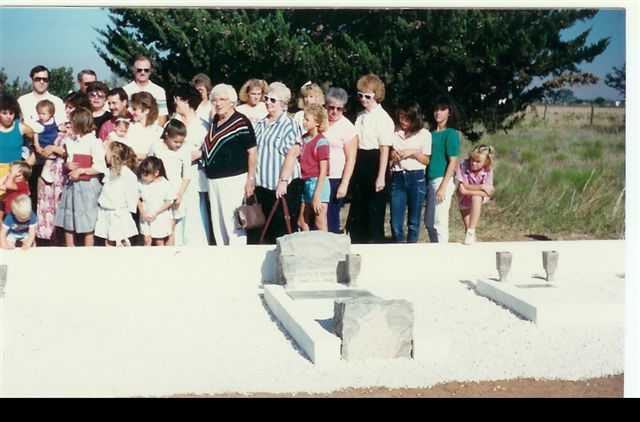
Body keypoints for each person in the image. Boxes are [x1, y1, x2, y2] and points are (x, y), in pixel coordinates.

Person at [201, 83, 257, 246]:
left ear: (232, 101)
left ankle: (237, 260)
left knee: (234, 223)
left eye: (222, 100)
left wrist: (250, 179)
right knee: (217, 224)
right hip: (213, 180)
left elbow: (252, 152)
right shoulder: (215, 121)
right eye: (215, 100)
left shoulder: (241, 122)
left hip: (234, 179)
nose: (218, 103)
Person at [249, 82, 303, 244]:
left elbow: (292, 155)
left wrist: (283, 181)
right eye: (266, 99)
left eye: (272, 100)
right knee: (261, 232)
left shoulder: (290, 125)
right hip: (261, 186)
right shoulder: (259, 124)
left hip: (282, 187)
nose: (267, 102)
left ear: (283, 104)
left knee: (282, 231)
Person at [35, 92, 90, 245]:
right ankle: (51, 240)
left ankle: (64, 241)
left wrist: (54, 148)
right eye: (67, 107)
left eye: (71, 108)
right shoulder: (61, 126)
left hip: (65, 173)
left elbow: (74, 152)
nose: (67, 111)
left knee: (62, 208)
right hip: (52, 171)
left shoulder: (82, 130)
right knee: (49, 206)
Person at [346, 74, 394, 244]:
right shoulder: (360, 116)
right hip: (360, 162)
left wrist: (381, 176)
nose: (363, 99)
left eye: (368, 96)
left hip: (376, 163)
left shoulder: (384, 118)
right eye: (360, 95)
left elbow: (385, 149)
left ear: (376, 96)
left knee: (374, 213)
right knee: (358, 212)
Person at [54, 107, 107, 247]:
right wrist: (68, 165)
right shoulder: (70, 142)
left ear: (80, 123)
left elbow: (100, 167)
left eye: (72, 122)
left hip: (88, 187)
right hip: (72, 186)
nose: (69, 125)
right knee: (69, 219)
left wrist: (82, 171)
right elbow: (68, 162)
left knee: (88, 220)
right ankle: (70, 250)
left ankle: (88, 252)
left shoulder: (94, 142)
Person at [276, 104, 330, 231]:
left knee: (320, 222)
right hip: (306, 182)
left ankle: (326, 248)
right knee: (301, 221)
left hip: (318, 184)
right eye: (304, 119)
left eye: (307, 120)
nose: (304, 122)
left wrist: (317, 195)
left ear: (317, 123)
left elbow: (323, 171)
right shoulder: (303, 139)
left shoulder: (321, 142)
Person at [172, 83, 210, 246]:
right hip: (176, 174)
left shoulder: (203, 125)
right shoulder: (173, 123)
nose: (175, 103)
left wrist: (200, 154)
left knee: (195, 209)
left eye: (177, 100)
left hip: (196, 174)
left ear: (185, 100)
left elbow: (209, 149)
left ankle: (197, 244)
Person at [389, 102, 431, 243]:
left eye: (407, 118)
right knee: (395, 223)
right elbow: (388, 154)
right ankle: (398, 249)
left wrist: (412, 152)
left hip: (416, 178)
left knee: (413, 222)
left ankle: (411, 252)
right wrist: (393, 155)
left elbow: (426, 160)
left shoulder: (424, 134)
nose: (403, 121)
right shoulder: (394, 132)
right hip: (398, 176)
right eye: (401, 117)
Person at [149, 119, 192, 246]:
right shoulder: (156, 146)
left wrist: (179, 194)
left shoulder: (185, 150)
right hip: (157, 192)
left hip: (175, 191)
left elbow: (187, 175)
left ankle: (169, 257)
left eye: (181, 142)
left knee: (170, 229)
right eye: (175, 141)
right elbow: (149, 166)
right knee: (155, 229)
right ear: (167, 135)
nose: (178, 145)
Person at [424, 96, 460, 243]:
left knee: (440, 222)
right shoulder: (429, 133)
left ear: (449, 112)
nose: (438, 113)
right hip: (429, 180)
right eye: (436, 109)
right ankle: (435, 252)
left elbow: (453, 161)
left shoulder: (451, 133)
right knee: (429, 223)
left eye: (442, 109)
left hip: (442, 180)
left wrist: (443, 187)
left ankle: (443, 255)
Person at [323, 87, 357, 234]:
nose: (334, 112)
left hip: (335, 179)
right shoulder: (320, 121)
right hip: (317, 177)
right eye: (331, 107)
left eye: (339, 108)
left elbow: (351, 159)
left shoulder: (348, 128)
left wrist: (344, 184)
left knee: (331, 219)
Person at [94, 141, 139, 247]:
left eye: (107, 152)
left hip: (119, 214)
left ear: (113, 155)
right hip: (106, 213)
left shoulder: (127, 174)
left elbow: (132, 194)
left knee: (120, 241)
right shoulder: (108, 172)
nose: (105, 155)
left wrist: (129, 211)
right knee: (108, 241)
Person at [456, 144, 495, 245]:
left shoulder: (488, 170)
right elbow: (462, 187)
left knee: (476, 198)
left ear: (486, 162)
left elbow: (488, 192)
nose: (473, 163)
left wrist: (469, 191)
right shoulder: (463, 164)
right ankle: (471, 239)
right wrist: (481, 186)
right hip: (463, 198)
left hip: (475, 197)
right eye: (472, 160)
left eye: (478, 162)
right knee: (467, 227)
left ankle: (471, 232)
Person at [137, 156, 175, 246]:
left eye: (146, 175)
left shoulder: (165, 184)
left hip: (159, 217)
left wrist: (156, 213)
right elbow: (137, 198)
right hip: (145, 217)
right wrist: (142, 212)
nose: (143, 177)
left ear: (156, 173)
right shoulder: (141, 183)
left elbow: (169, 201)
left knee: (159, 241)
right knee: (147, 240)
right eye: (142, 174)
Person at [123, 54, 168, 126]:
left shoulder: (159, 91)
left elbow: (162, 117)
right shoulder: (125, 90)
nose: (143, 72)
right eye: (139, 70)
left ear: (150, 71)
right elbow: (123, 115)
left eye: (146, 70)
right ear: (133, 70)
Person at [126, 92, 163, 162]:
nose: (130, 111)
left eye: (134, 109)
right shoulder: (128, 126)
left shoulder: (158, 131)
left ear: (146, 110)